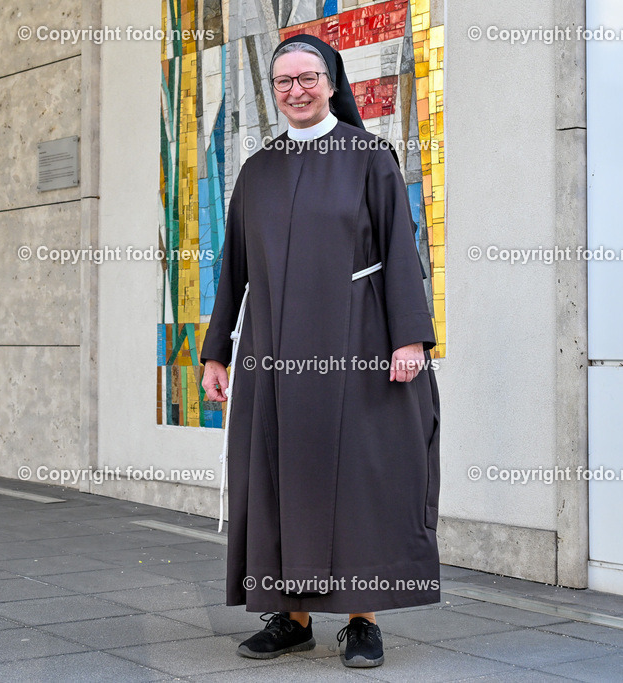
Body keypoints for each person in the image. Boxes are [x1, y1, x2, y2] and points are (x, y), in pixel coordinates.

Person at [200, 33, 441, 669]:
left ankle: (363, 621)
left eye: (308, 78)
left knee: (363, 481)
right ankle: (293, 616)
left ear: (332, 83)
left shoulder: (370, 157)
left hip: (357, 348)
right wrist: (215, 351)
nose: (297, 91)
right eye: (284, 82)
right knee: (282, 481)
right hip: (275, 355)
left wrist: (409, 337)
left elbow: (400, 248)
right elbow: (235, 269)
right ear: (275, 92)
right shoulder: (258, 171)